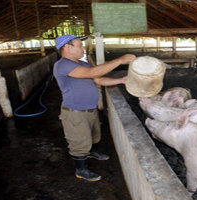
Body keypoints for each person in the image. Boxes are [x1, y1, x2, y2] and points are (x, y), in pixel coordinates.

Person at [53, 35, 136, 182]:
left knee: (93, 134)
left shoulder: (83, 64)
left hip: (90, 109)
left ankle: (92, 151)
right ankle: (81, 169)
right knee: (79, 140)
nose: (83, 48)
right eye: (80, 46)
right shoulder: (62, 65)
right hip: (75, 112)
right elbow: (93, 73)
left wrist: (121, 80)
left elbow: (98, 79)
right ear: (67, 47)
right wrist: (120, 60)